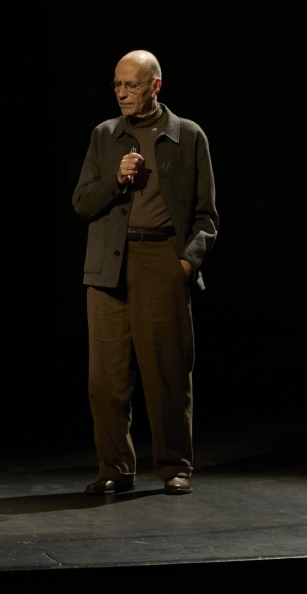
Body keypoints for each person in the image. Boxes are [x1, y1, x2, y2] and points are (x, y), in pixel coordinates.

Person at [72, 50, 218, 495]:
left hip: (161, 259)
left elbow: (206, 216)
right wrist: (116, 179)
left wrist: (185, 262)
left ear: (156, 85)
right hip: (107, 264)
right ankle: (115, 468)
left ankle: (175, 465)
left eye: (130, 85)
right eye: (116, 84)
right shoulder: (105, 136)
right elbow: (81, 203)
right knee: (106, 379)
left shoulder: (188, 136)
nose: (121, 93)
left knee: (168, 372)